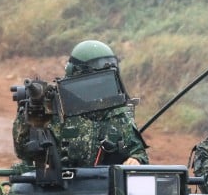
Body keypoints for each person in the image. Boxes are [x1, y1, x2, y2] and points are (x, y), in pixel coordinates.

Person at [12, 40, 148, 167]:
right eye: (96, 80)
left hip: (106, 185)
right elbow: (24, 151)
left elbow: (137, 151)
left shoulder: (117, 113)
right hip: (62, 186)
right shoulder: (55, 107)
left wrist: (136, 159)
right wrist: (29, 115)